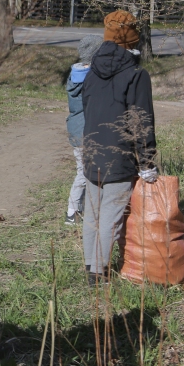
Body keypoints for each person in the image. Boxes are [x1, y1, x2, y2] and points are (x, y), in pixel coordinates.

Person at [81, 10, 158, 285]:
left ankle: (90, 266)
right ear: (133, 39)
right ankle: (98, 274)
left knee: (92, 214)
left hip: (90, 154)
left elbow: (87, 111)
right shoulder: (136, 75)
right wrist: (148, 162)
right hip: (119, 157)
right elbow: (141, 121)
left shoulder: (91, 73)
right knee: (111, 219)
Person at [64, 35, 102, 226]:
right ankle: (72, 212)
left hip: (75, 128)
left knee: (86, 171)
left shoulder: (75, 74)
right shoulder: (91, 79)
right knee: (84, 172)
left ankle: (81, 209)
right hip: (84, 130)